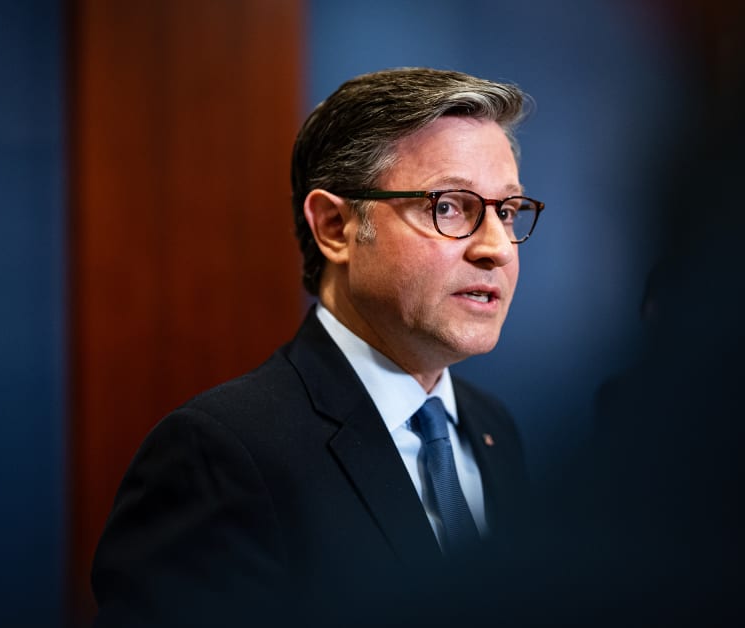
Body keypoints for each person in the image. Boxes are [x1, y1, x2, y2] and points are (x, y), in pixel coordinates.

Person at [91, 68, 543, 627]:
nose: (496, 248)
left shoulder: (494, 428)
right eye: (449, 206)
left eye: (507, 210)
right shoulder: (221, 454)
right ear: (334, 226)